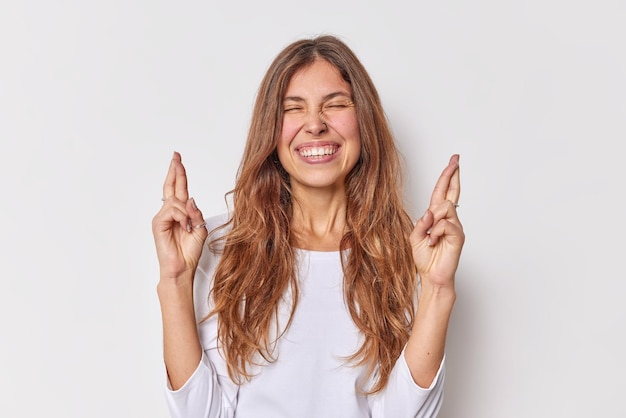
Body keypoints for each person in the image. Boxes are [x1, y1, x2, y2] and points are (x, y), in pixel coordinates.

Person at [152, 35, 464, 418]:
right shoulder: (218, 247)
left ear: (363, 120)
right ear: (271, 128)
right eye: (293, 109)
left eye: (335, 105)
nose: (315, 124)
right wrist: (175, 279)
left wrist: (437, 287)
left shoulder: (409, 254)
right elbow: (200, 414)